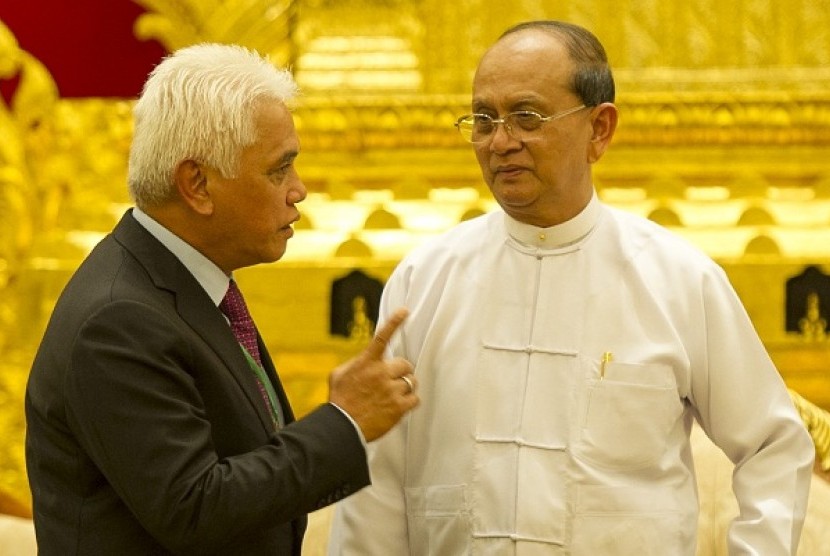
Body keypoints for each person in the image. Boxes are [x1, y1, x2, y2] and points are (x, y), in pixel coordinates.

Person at [328, 20, 815, 555]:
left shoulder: (678, 279)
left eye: (527, 117)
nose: (501, 142)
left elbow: (773, 444)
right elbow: (378, 473)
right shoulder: (426, 279)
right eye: (484, 120)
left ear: (599, 129)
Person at [24, 43, 419, 555]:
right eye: (279, 170)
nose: (298, 190)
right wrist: (344, 422)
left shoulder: (186, 282)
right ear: (198, 185)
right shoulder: (120, 319)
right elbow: (196, 509)